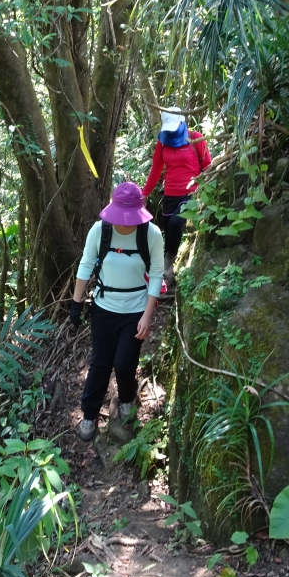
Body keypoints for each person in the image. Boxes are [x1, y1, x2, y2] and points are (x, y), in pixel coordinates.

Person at [68, 182, 164, 442]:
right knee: (100, 363)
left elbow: (156, 274)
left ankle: (126, 397)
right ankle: (89, 413)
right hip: (103, 308)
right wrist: (76, 303)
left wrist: (147, 314)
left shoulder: (151, 233)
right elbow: (86, 264)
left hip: (135, 309)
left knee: (124, 363)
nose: (124, 222)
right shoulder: (100, 231)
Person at [141, 107, 211, 284]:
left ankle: (167, 267)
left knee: (175, 223)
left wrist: (206, 191)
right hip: (169, 194)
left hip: (190, 192)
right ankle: (168, 269)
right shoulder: (162, 141)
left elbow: (208, 166)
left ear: (182, 122)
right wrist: (145, 193)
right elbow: (156, 169)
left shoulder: (195, 138)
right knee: (169, 230)